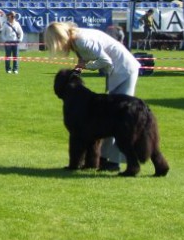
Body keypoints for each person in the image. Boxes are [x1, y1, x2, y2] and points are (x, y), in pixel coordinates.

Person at [44, 21, 141, 172]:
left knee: (118, 119)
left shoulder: (81, 40)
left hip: (124, 70)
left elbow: (105, 61)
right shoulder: (76, 38)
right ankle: (102, 159)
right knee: (109, 117)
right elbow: (85, 58)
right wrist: (78, 69)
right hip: (116, 71)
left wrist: (86, 67)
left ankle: (113, 162)